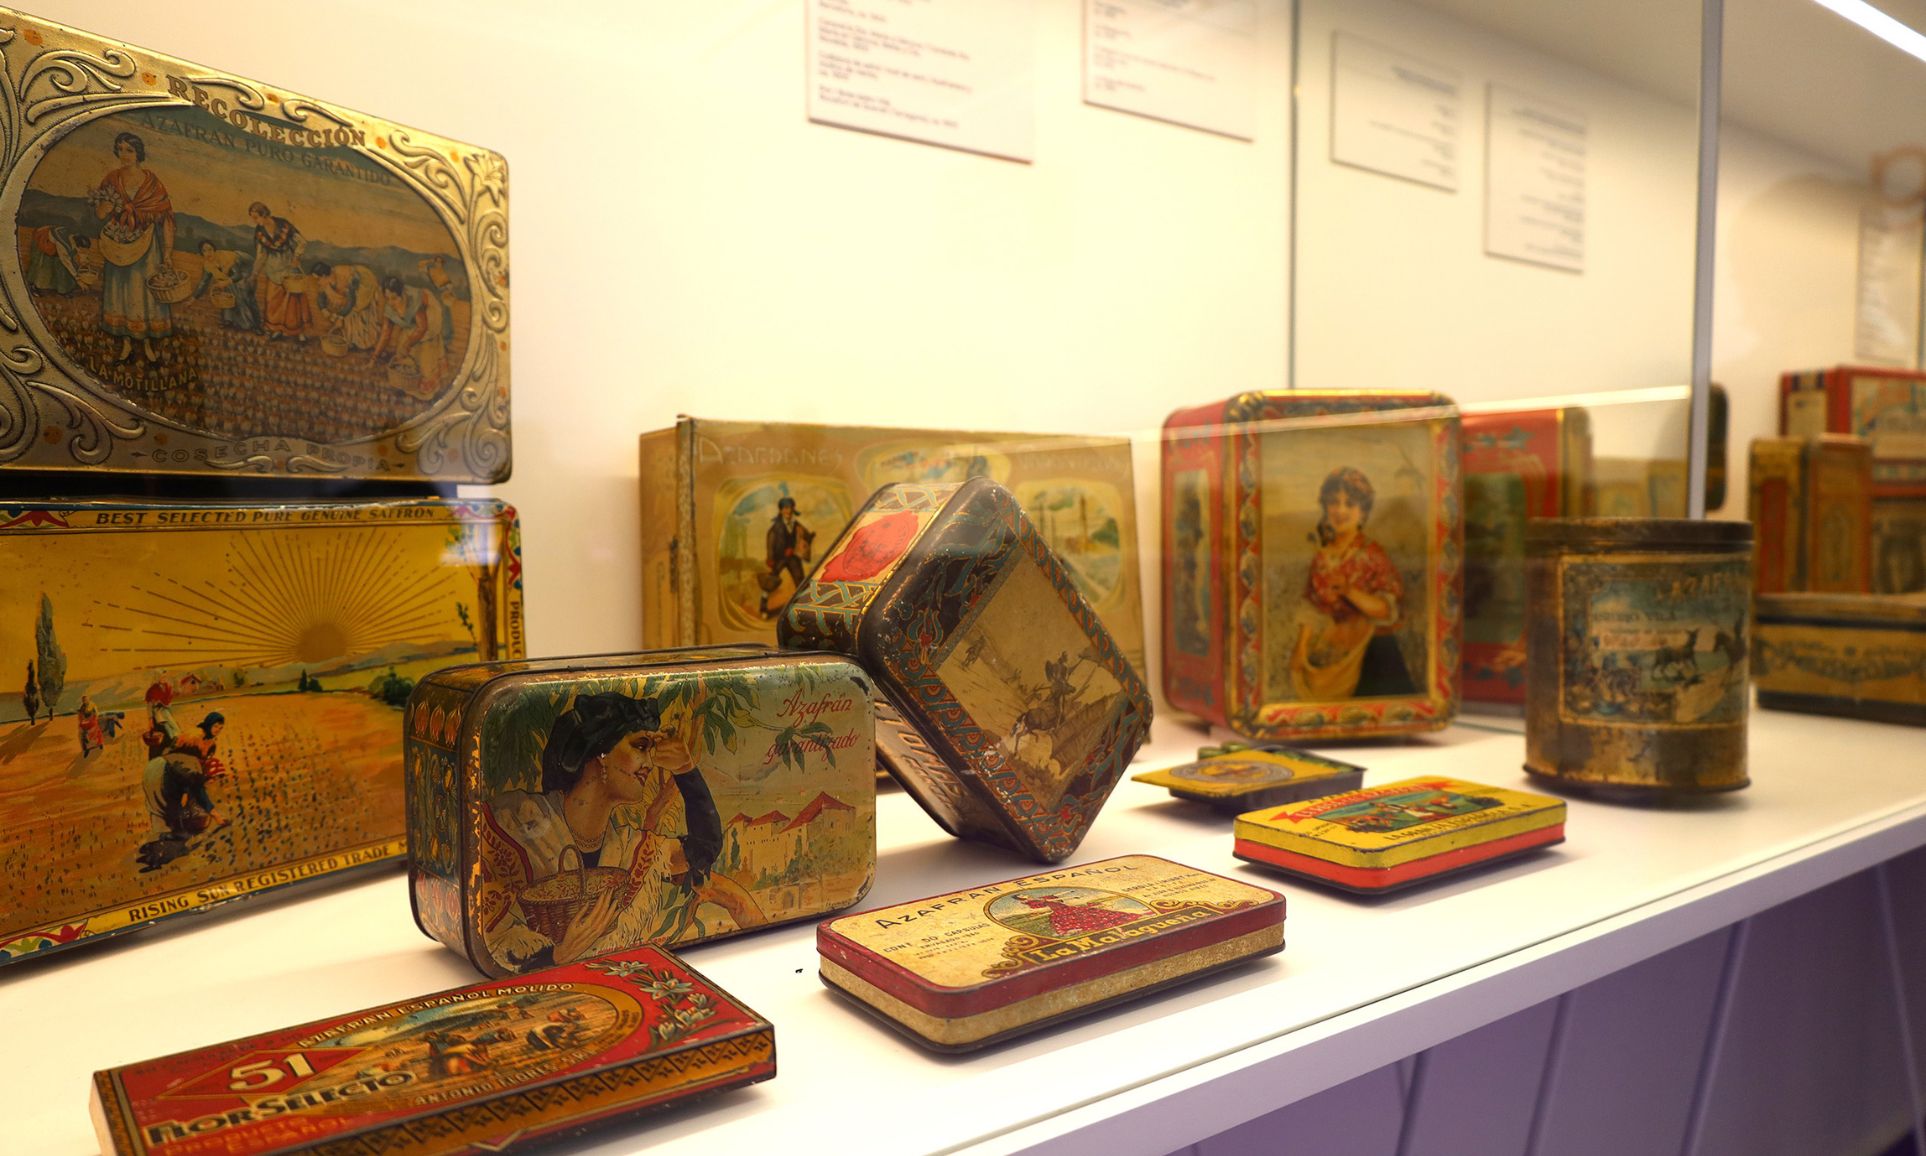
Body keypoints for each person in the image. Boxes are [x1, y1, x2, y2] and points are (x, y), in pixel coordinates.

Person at [481, 693, 765, 969]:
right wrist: (558, 955)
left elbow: (703, 848)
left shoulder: (629, 846)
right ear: (601, 754)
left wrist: (686, 770)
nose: (649, 764)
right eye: (640, 746)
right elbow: (495, 942)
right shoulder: (515, 820)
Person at [1288, 466, 1416, 701]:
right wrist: (1301, 648)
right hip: (1337, 653)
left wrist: (1349, 591)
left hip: (1374, 653)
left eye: (1350, 504)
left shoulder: (1372, 554)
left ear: (1363, 512)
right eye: (1333, 502)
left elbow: (1386, 610)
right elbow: (1312, 607)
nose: (1340, 510)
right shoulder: (1322, 558)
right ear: (1325, 507)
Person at [89, 131, 175, 362]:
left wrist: (167, 253)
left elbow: (166, 218)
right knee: (121, 291)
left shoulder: (152, 183)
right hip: (118, 244)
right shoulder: (111, 179)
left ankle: (146, 343)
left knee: (144, 292)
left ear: (138, 153)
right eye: (120, 149)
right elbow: (100, 214)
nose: (124, 154)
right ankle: (126, 342)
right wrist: (105, 208)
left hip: (147, 245)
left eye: (129, 150)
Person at [141, 711, 228, 842]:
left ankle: (162, 835)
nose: (218, 730)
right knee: (168, 804)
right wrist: (216, 816)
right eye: (216, 726)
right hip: (163, 770)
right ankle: (170, 835)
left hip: (156, 767)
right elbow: (198, 790)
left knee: (160, 809)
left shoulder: (201, 746)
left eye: (220, 728)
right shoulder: (193, 746)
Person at [371, 275, 450, 388]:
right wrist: (374, 357)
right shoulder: (389, 307)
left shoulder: (414, 300)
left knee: (421, 343)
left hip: (429, 313)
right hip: (415, 321)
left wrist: (407, 344)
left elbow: (422, 327)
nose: (391, 302)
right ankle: (410, 376)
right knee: (405, 342)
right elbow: (385, 333)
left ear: (402, 295)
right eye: (387, 298)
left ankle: (427, 378)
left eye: (394, 298)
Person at [248, 201, 311, 339]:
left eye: (256, 217)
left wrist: (297, 256)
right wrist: (255, 273)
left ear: (264, 214)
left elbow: (302, 242)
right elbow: (261, 255)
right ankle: (277, 329)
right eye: (253, 218)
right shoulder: (259, 232)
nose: (254, 221)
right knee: (273, 301)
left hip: (289, 267)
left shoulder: (283, 225)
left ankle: (297, 332)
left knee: (293, 302)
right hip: (273, 270)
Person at [759, 496, 814, 617]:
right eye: (785, 508)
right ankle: (763, 609)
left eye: (790, 508)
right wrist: (770, 558)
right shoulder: (776, 527)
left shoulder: (797, 525)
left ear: (793, 509)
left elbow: (805, 535)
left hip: (793, 558)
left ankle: (804, 608)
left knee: (800, 581)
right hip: (778, 558)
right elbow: (770, 541)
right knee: (769, 582)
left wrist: (809, 537)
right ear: (781, 510)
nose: (788, 511)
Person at [310, 259, 382, 349]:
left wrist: (340, 318)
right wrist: (324, 310)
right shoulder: (328, 281)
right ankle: (352, 340)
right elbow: (321, 296)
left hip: (364, 284)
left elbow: (351, 302)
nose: (318, 282)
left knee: (357, 313)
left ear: (324, 276)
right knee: (346, 314)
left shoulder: (345, 277)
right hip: (352, 293)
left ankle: (363, 341)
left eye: (318, 279)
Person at [191, 239, 257, 330]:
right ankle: (228, 320)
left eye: (210, 249)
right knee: (227, 292)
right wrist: (193, 298)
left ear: (214, 250)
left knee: (242, 292)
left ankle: (253, 324)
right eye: (204, 251)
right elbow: (204, 282)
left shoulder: (226, 257)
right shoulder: (208, 265)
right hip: (233, 275)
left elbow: (238, 275)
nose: (208, 253)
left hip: (246, 269)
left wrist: (226, 282)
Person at [24, 225, 87, 295]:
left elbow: (76, 252)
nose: (79, 250)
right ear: (76, 243)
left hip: (52, 240)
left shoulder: (72, 236)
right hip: (42, 238)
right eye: (80, 248)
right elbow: (67, 262)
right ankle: (32, 287)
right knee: (40, 266)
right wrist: (78, 279)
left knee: (59, 263)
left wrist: (82, 260)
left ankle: (61, 287)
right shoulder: (63, 244)